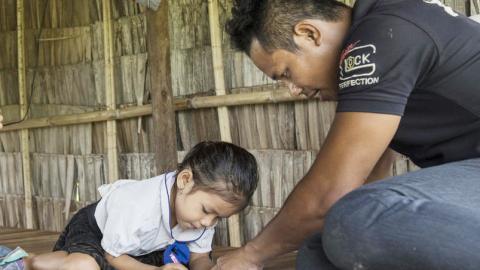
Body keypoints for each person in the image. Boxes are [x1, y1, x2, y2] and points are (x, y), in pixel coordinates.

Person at [213, 0, 480, 269]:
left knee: (354, 216)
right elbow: (367, 174)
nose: (293, 90)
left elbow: (329, 195)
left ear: (309, 34)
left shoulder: (377, 38)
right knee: (318, 249)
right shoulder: (384, 28)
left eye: (286, 73)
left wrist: (251, 255)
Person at [19, 141, 258, 270]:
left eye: (218, 218)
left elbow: (199, 259)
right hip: (99, 232)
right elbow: (113, 256)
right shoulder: (138, 204)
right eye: (207, 211)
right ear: (185, 180)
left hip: (140, 247)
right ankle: (27, 262)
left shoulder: (202, 215)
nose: (208, 223)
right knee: (83, 265)